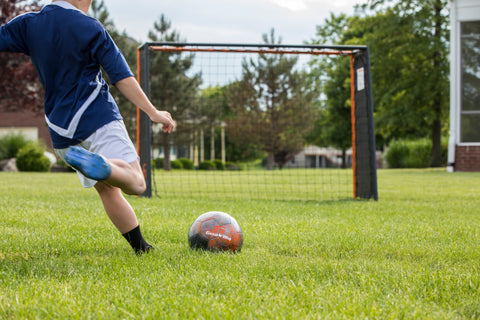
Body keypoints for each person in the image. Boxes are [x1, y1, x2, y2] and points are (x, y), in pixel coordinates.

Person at [0, 0, 175, 254]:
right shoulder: (90, 27)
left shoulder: (30, 23)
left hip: (60, 131)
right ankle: (102, 163)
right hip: (97, 116)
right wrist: (153, 112)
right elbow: (121, 77)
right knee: (136, 182)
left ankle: (141, 248)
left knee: (107, 189)